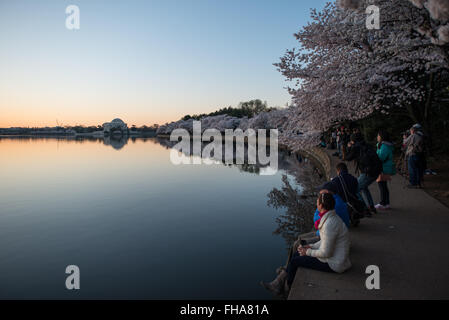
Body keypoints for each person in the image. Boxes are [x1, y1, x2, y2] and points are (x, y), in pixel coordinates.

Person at [261, 193, 351, 296]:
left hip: (334, 263)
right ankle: (278, 283)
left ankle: (287, 288)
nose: (316, 204)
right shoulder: (331, 218)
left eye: (317, 203)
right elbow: (325, 241)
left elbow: (327, 252)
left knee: (295, 261)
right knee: (296, 254)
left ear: (321, 206)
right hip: (334, 257)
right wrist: (311, 246)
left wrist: (308, 251)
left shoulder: (329, 223)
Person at [345, 133, 383, 215]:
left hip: (368, 172)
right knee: (363, 188)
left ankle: (364, 208)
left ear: (353, 140)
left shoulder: (356, 147)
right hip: (376, 170)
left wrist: (348, 147)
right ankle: (371, 207)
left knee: (355, 189)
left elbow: (347, 158)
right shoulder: (366, 145)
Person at [375, 130, 396, 210]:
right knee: (384, 186)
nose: (377, 137)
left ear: (382, 137)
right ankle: (386, 203)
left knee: (382, 186)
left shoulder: (384, 146)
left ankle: (383, 203)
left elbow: (381, 157)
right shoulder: (386, 145)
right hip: (386, 167)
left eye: (378, 136)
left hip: (384, 167)